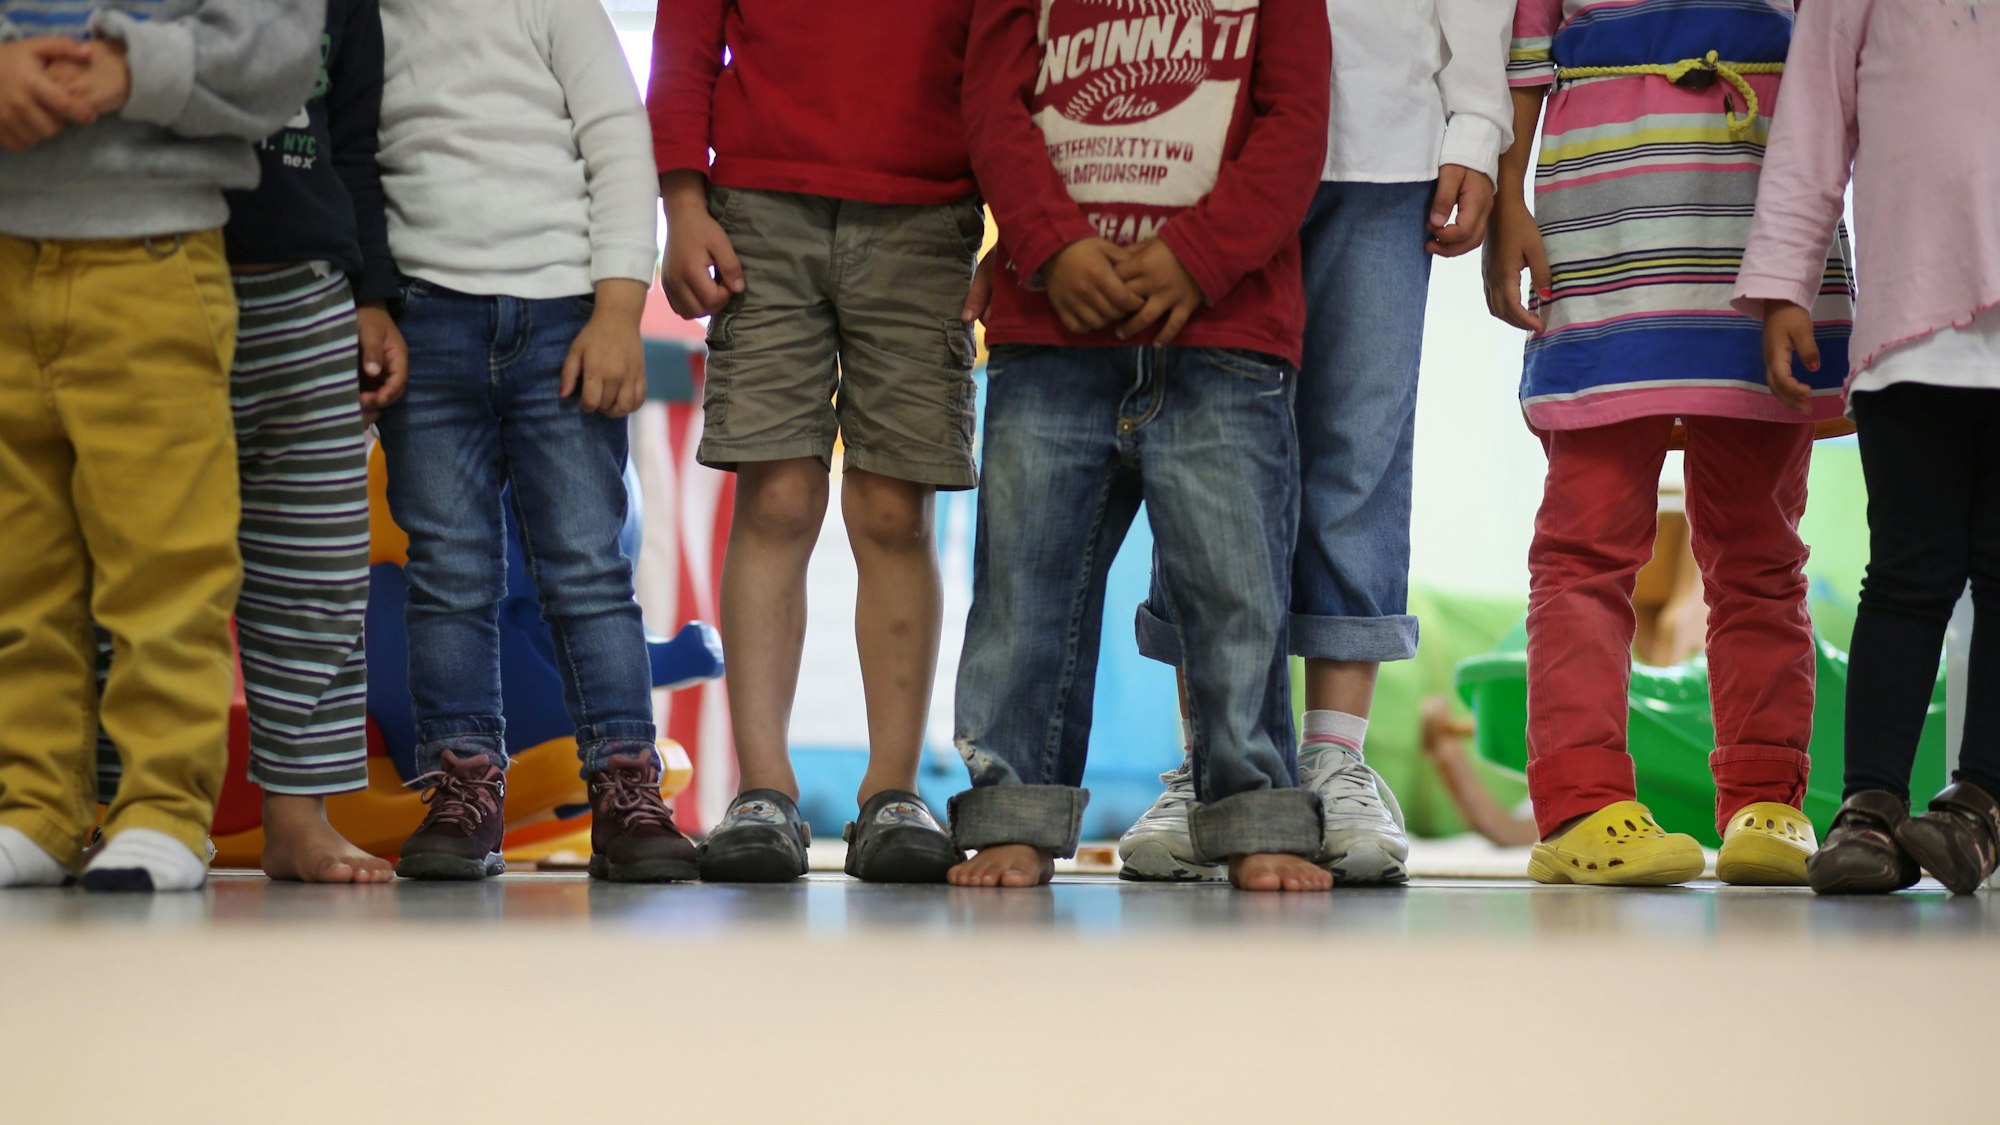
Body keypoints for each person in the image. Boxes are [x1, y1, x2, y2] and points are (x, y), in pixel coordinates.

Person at [1117, 0, 1514, 886]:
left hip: (1388, 137)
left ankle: (1335, 758)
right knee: (1200, 449)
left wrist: (1478, 123)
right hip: (1204, 139)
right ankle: (1211, 763)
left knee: (1357, 449)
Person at [950, 0, 1335, 892]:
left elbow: (1297, 125)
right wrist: (1049, 246)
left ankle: (1254, 814)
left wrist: (1199, 255)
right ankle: (1013, 815)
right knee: (1023, 592)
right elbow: (992, 106)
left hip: (1225, 336)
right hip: (1050, 335)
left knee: (1238, 595)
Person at [1485, 0, 1853, 887]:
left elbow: (1844, 63)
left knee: (1761, 548)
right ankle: (1581, 801)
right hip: (1603, 239)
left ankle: (1769, 798)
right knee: (1585, 540)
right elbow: (1524, 55)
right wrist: (1507, 202)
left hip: (1760, 241)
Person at [649, 0, 981, 882]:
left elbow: (1004, 42)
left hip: (925, 203)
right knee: (780, 494)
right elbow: (685, 35)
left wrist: (1021, 218)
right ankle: (764, 789)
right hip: (758, 203)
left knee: (891, 507)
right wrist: (683, 198)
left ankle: (893, 790)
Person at [0, 0, 323, 891]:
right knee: (14, 565)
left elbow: (285, 49)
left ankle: (162, 806)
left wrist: (139, 66)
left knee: (166, 562)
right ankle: (32, 802)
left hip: (154, 251)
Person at [374, 0, 693, 882]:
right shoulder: (368, 18)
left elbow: (620, 147)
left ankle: (626, 779)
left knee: (586, 564)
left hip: (564, 320)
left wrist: (619, 309)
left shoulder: (553, 5)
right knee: (446, 569)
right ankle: (464, 782)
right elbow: (355, 164)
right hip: (424, 317)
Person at [89, 0, 402, 885]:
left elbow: (356, 146)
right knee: (137, 559)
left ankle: (300, 813)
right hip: (153, 275)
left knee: (320, 564)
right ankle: (123, 805)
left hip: (304, 290)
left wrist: (371, 293)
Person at [1735, 0, 2000, 896]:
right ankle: (1871, 805)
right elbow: (1811, 129)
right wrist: (1783, 285)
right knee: (1908, 573)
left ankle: (1981, 805)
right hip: (1912, 335)